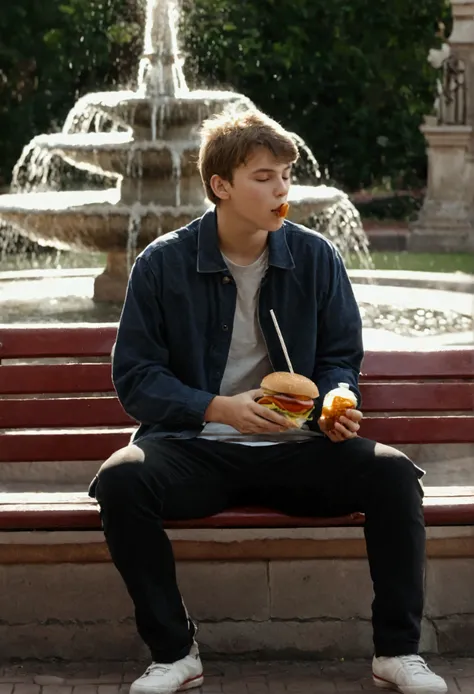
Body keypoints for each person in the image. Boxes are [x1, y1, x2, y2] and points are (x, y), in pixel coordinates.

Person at [88, 109, 447, 694]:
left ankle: (397, 652)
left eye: (285, 174)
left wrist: (337, 398)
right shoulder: (162, 263)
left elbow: (339, 357)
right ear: (220, 186)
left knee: (392, 475)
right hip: (196, 447)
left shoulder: (315, 257)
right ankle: (175, 653)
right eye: (263, 176)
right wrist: (217, 407)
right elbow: (136, 377)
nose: (281, 189)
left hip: (297, 450)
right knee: (122, 480)